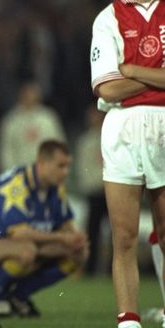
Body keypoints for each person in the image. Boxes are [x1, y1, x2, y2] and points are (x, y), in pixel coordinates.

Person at [89, 0, 165, 328]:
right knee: (123, 236)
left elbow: (122, 77)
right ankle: (129, 320)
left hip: (164, 122)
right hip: (122, 127)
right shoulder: (108, 18)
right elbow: (106, 85)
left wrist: (134, 68)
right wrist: (156, 76)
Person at [0, 140, 88, 319]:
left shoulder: (56, 189)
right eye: (60, 166)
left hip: (28, 245)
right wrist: (62, 239)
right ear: (42, 163)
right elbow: (18, 232)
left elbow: (66, 223)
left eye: (68, 166)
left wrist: (76, 238)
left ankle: (18, 296)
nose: (65, 172)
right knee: (26, 251)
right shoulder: (16, 186)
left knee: (78, 253)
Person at [0, 81, 66, 172]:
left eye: (33, 93)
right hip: (20, 173)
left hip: (47, 172)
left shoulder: (48, 117)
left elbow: (59, 143)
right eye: (26, 94)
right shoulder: (11, 121)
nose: (30, 97)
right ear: (21, 95)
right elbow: (6, 151)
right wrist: (11, 172)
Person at [74, 106, 106, 275]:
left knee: (119, 232)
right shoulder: (85, 141)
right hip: (95, 191)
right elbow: (83, 167)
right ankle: (91, 269)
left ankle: (111, 269)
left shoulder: (111, 135)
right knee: (93, 232)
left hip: (112, 189)